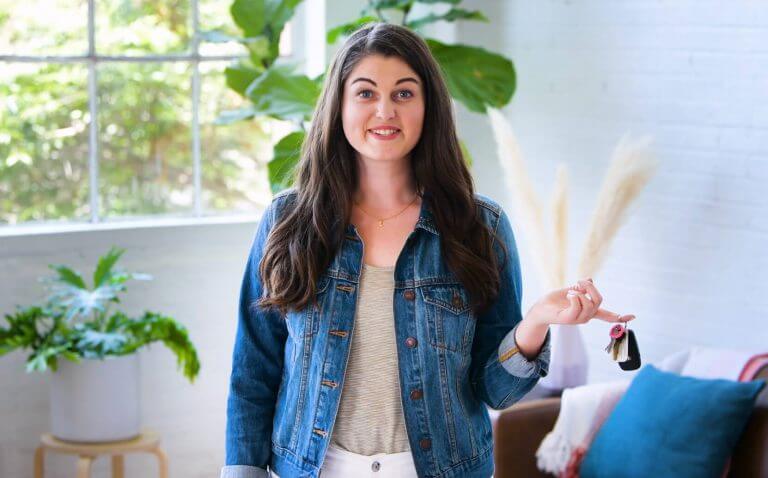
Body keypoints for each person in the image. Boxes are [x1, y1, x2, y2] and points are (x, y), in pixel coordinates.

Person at [220, 22, 635, 478]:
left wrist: (534, 323)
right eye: (364, 93)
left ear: (428, 107)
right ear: (338, 105)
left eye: (403, 94)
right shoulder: (289, 220)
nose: (384, 111)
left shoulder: (480, 227)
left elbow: (495, 392)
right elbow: (253, 369)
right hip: (313, 468)